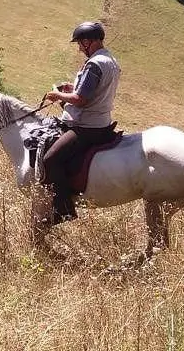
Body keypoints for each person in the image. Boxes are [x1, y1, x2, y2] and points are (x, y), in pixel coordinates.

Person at [40, 21, 122, 225]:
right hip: (101, 122)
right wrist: (73, 86)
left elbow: (80, 100)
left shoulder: (94, 64)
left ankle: (64, 209)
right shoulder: (110, 60)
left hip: (86, 126)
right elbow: (93, 89)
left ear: (88, 42)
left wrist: (57, 94)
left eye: (79, 43)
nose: (78, 48)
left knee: (51, 159)